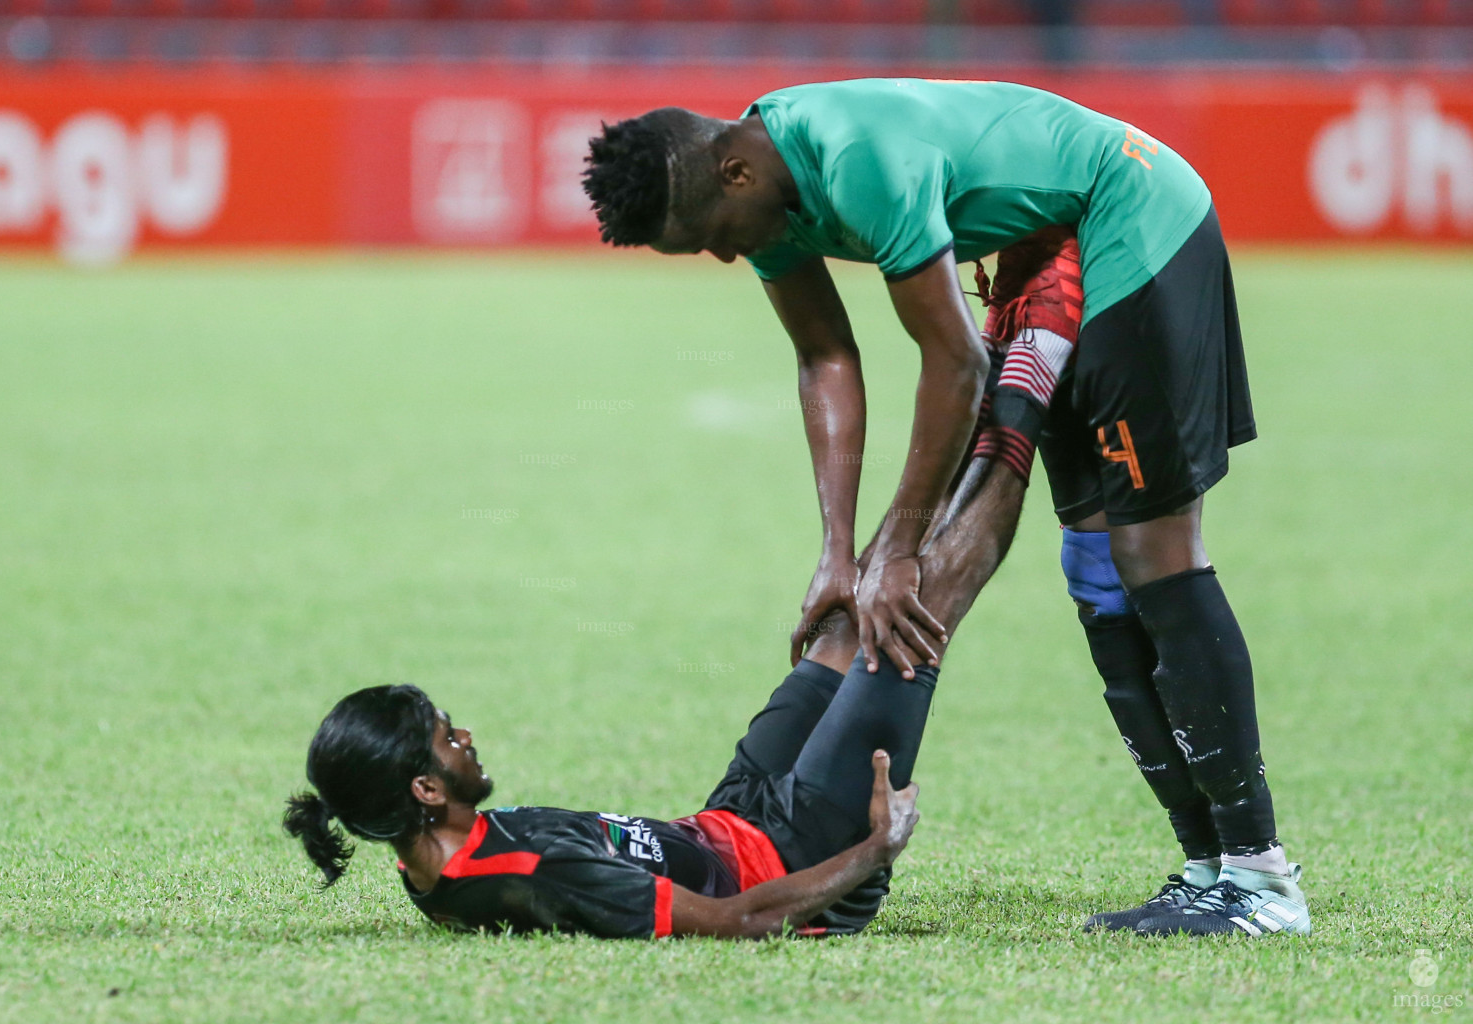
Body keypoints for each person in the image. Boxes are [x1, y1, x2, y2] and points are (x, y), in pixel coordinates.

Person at [581, 78, 1309, 937]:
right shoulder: (765, 192)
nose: (722, 257)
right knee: (1095, 567)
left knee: (1150, 552)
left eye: (709, 240)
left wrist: (898, 554)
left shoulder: (854, 159)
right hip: (1044, 250)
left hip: (1129, 215)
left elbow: (956, 365)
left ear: (733, 175)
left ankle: (1259, 880)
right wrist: (839, 552)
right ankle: (1205, 872)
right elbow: (824, 357)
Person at [284, 457, 1029, 939]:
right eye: (448, 737)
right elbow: (742, 922)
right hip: (798, 857)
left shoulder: (425, 853)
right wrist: (876, 848)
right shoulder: (532, 876)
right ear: (423, 786)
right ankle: (1032, 383)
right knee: (922, 605)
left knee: (849, 615)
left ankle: (979, 386)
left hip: (730, 818)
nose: (465, 735)